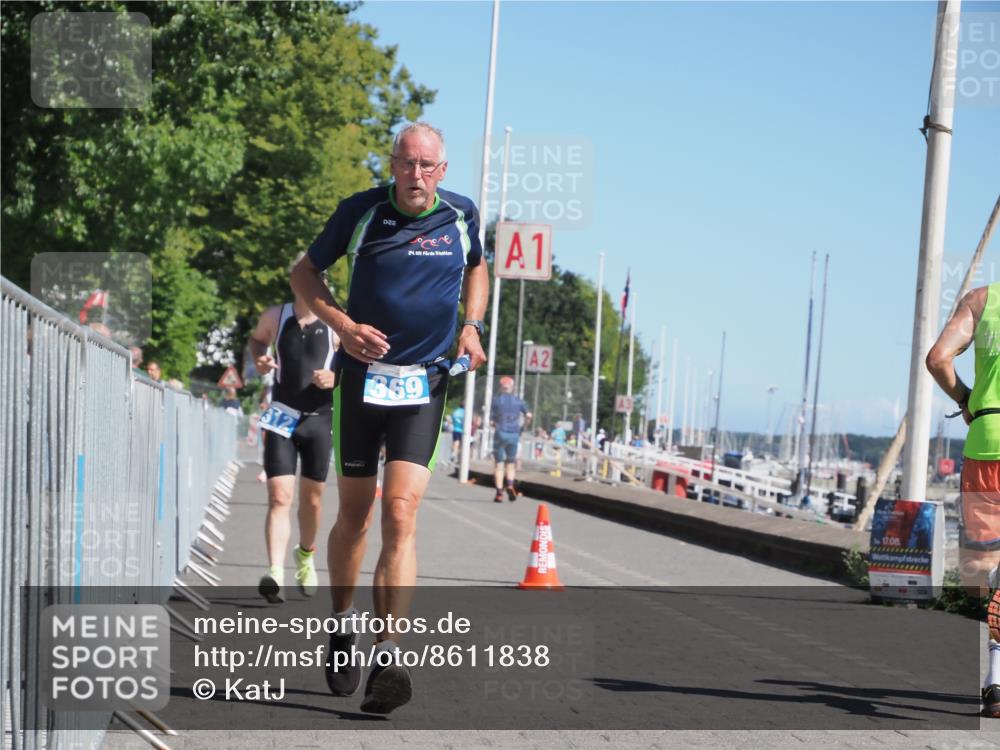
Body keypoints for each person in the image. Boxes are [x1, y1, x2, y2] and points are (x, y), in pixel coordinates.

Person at [290, 121, 487, 714]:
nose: (415, 175)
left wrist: (471, 326)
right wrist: (344, 326)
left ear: (442, 171)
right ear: (393, 164)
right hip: (361, 383)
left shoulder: (461, 214)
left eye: (427, 165)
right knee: (355, 516)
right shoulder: (362, 211)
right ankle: (342, 624)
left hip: (425, 381)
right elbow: (303, 274)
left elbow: (478, 266)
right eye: (406, 163)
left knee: (400, 512)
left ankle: (389, 656)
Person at [926, 282, 1000, 717]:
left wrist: (967, 399)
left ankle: (995, 680)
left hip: (986, 440)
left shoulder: (983, 300)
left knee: (986, 568)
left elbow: (938, 359)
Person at [249, 279, 339, 605]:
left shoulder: (336, 322)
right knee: (279, 496)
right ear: (295, 283)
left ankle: (305, 554)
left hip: (319, 419)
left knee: (311, 500)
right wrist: (260, 358)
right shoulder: (276, 316)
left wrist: (336, 377)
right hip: (281, 416)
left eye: (318, 281)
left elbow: (357, 365)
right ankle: (275, 573)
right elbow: (257, 341)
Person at [490, 376, 531, 502]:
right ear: (512, 387)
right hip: (514, 434)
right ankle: (510, 484)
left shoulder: (496, 400)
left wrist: (497, 425)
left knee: (499, 464)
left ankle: (499, 493)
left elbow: (492, 421)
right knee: (511, 463)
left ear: (501, 387)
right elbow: (529, 416)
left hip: (500, 433)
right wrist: (523, 427)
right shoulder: (519, 401)